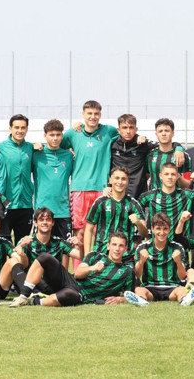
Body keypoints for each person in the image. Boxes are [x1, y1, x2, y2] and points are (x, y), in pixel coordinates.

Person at [61, 100, 120, 265]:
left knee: (102, 233)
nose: (93, 117)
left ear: (100, 115)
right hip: (79, 189)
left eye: (96, 114)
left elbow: (126, 135)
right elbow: (56, 143)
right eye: (89, 113)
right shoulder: (73, 133)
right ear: (83, 114)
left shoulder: (108, 131)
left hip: (103, 190)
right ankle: (81, 274)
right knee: (79, 234)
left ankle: (102, 272)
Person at [18, 232, 136, 306]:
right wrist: (93, 268)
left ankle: (34, 301)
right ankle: (23, 296)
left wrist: (121, 299)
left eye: (121, 246)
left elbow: (133, 295)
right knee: (44, 257)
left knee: (68, 295)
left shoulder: (127, 272)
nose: (117, 249)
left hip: (81, 295)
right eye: (114, 245)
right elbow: (78, 273)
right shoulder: (95, 256)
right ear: (108, 246)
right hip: (70, 281)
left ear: (125, 249)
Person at [8, 208, 84, 307]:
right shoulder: (26, 241)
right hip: (34, 284)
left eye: (48, 219)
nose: (45, 222)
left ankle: (28, 297)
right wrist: (21, 247)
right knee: (15, 264)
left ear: (52, 223)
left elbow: (80, 256)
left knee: (44, 258)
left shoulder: (59, 242)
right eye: (41, 220)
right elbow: (18, 261)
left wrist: (80, 246)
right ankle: (29, 294)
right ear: (35, 223)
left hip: (52, 285)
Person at [133, 212, 194, 305]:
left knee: (181, 290)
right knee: (139, 289)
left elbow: (182, 276)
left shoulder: (177, 247)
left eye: (165, 229)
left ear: (169, 229)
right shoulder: (142, 247)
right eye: (158, 229)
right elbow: (137, 274)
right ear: (152, 229)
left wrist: (178, 261)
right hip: (150, 287)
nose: (162, 232)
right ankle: (141, 300)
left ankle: (185, 300)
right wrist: (141, 261)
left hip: (172, 287)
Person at [84, 167, 147, 263]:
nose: (120, 182)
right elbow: (88, 229)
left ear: (128, 181)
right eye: (116, 178)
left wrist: (138, 223)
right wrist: (87, 256)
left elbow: (144, 233)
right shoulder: (101, 202)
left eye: (123, 179)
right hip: (101, 254)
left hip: (126, 257)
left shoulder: (133, 204)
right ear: (110, 180)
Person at [139, 163, 194, 241]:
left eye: (173, 174)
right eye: (166, 174)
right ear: (160, 176)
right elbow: (134, 212)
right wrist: (144, 231)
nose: (170, 177)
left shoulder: (186, 194)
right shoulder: (149, 196)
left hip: (180, 245)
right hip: (156, 245)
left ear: (177, 176)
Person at [32, 119, 74, 243]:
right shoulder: (36, 154)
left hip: (63, 210)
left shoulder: (69, 156)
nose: (55, 138)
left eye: (58, 135)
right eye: (51, 135)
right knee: (41, 249)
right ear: (45, 136)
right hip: (42, 210)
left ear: (62, 136)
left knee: (65, 249)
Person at [0, 114, 36, 244]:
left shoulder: (31, 148)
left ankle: (22, 266)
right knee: (3, 245)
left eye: (23, 127)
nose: (20, 131)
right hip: (5, 204)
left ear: (27, 129)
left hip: (25, 204)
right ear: (10, 128)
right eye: (16, 127)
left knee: (23, 245)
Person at [146, 118, 191, 190]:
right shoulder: (149, 156)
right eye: (160, 131)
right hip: (155, 199)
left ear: (172, 133)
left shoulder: (183, 155)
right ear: (156, 134)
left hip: (176, 199)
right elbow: (146, 177)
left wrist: (177, 176)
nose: (163, 134)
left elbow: (189, 184)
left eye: (167, 131)